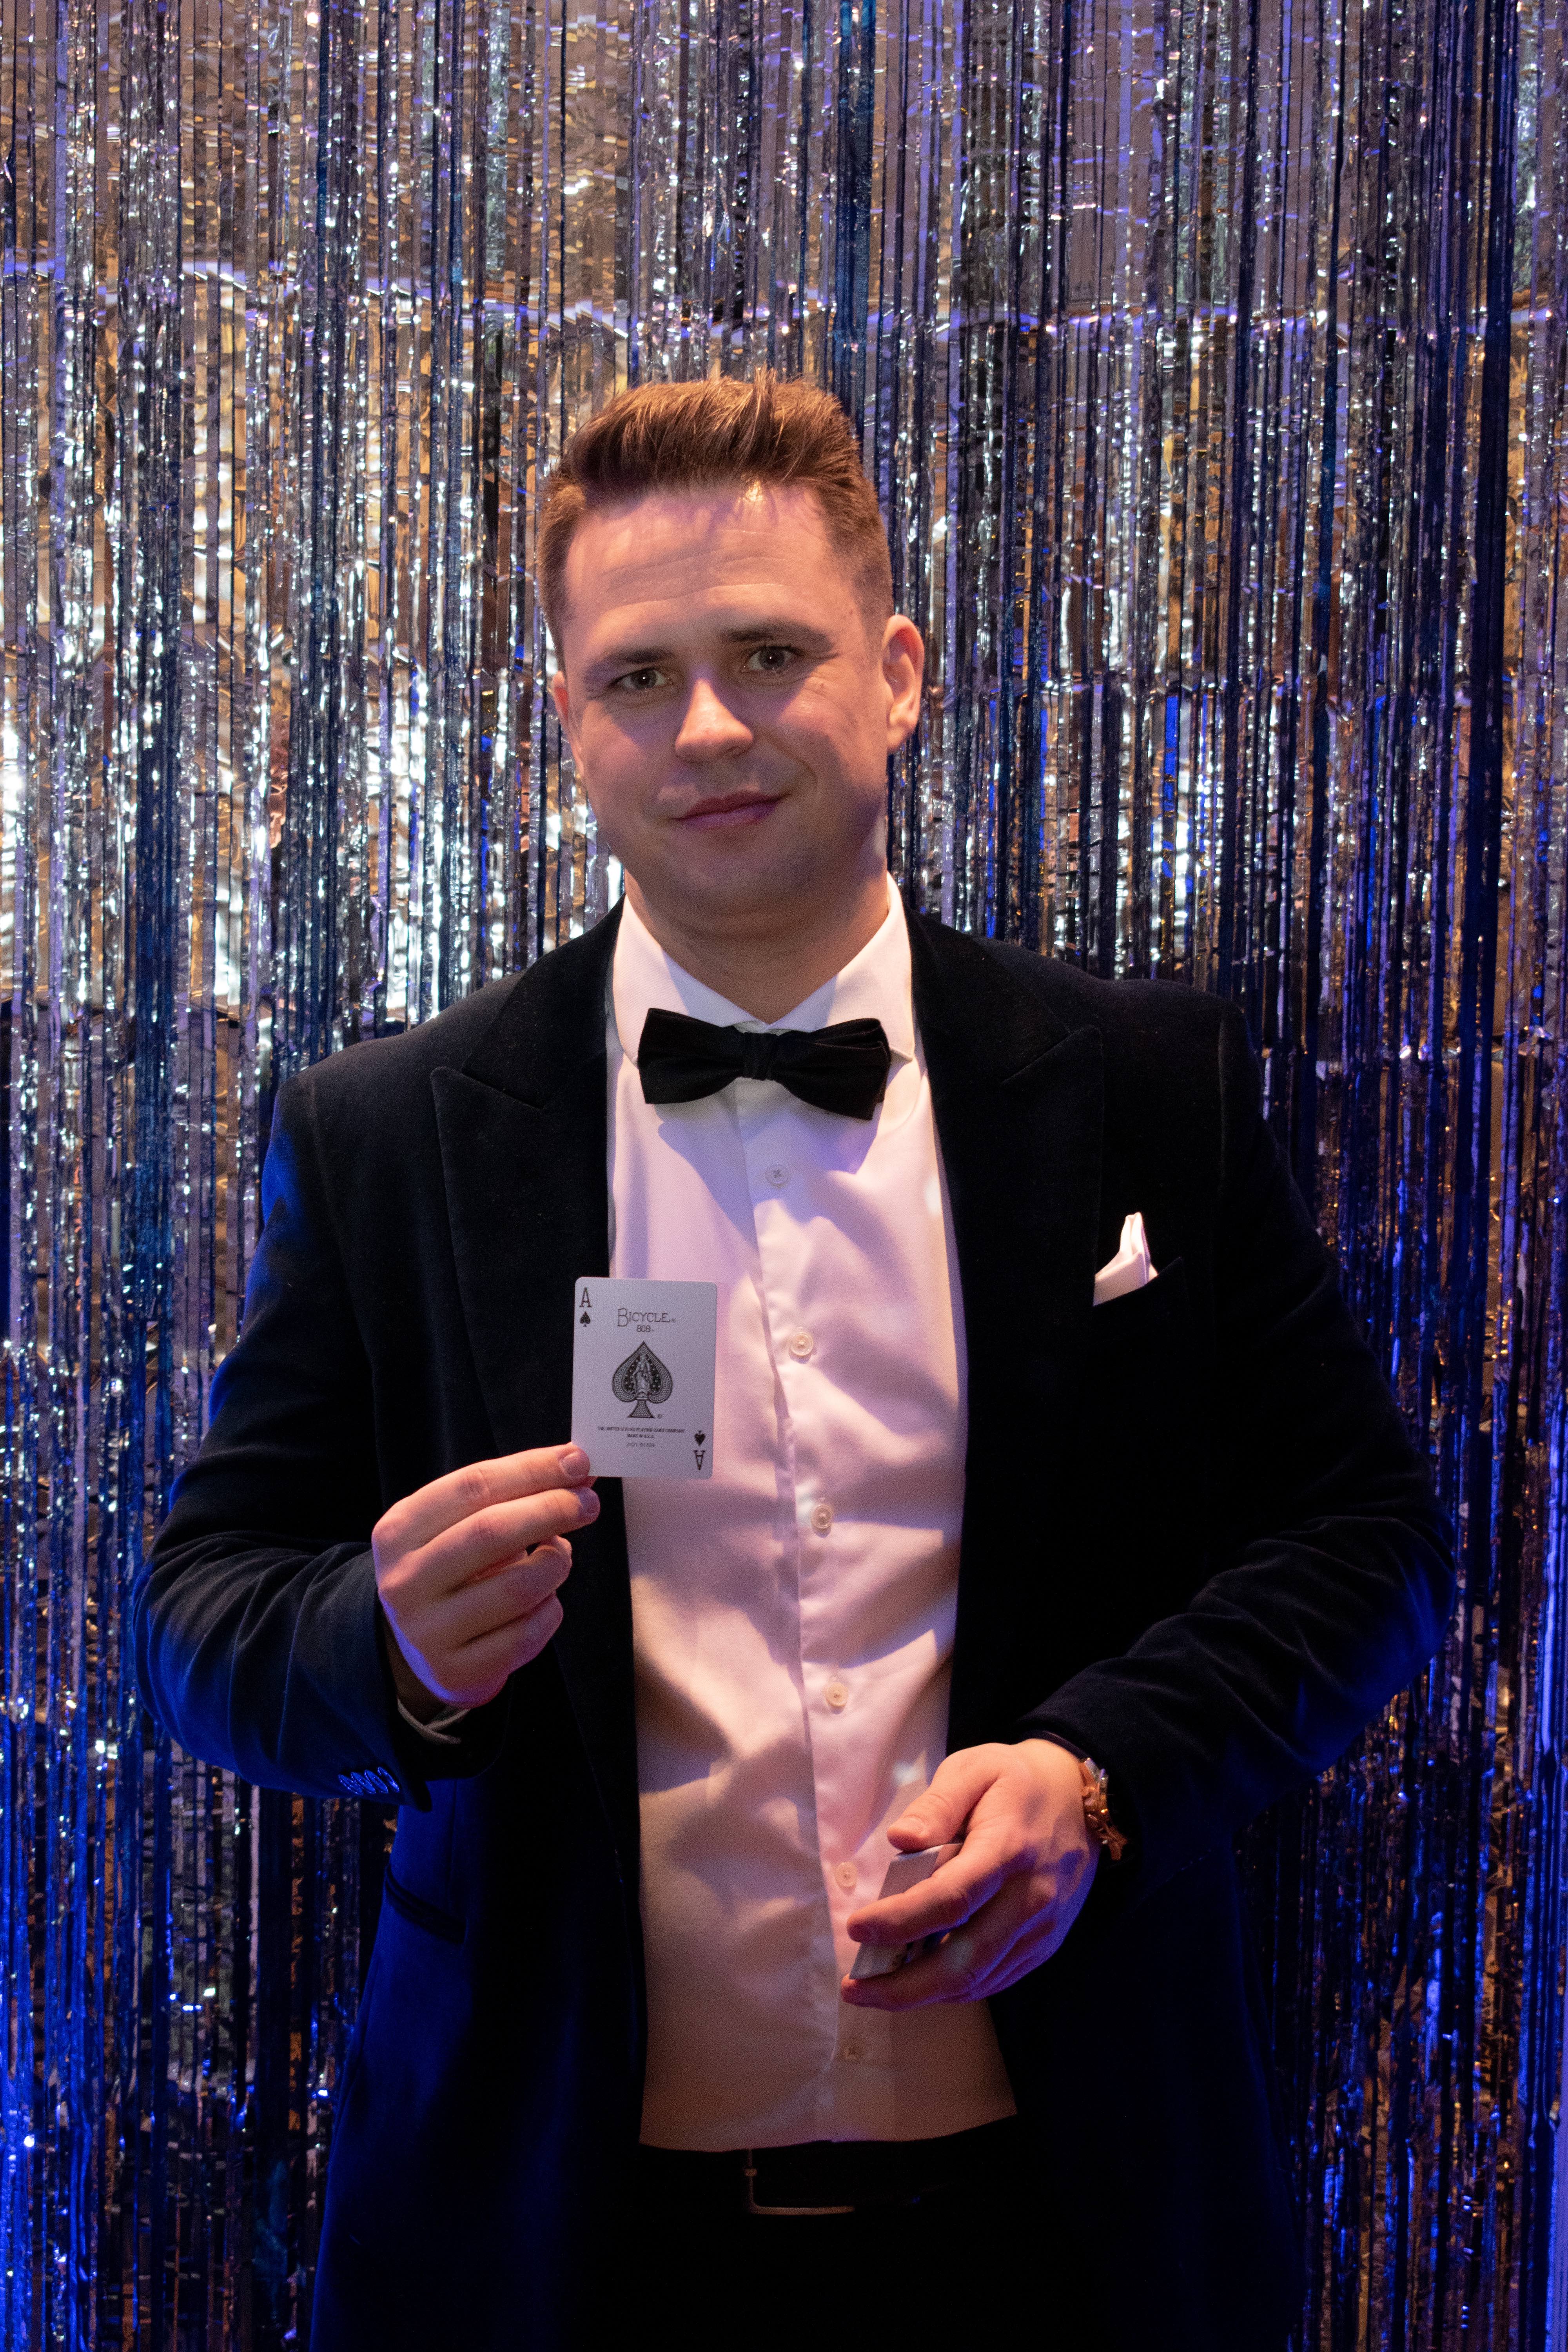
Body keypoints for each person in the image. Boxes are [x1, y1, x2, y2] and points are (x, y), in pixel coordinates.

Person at [135, 373, 1455, 2351]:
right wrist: (383, 1648)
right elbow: (197, 1617)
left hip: (1069, 2214)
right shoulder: (386, 1133)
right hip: (552, 2239)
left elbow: (1367, 1538)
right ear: (567, 719)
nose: (709, 729)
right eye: (637, 677)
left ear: (896, 672)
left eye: (768, 655)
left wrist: (1102, 1772)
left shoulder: (1144, 1085)